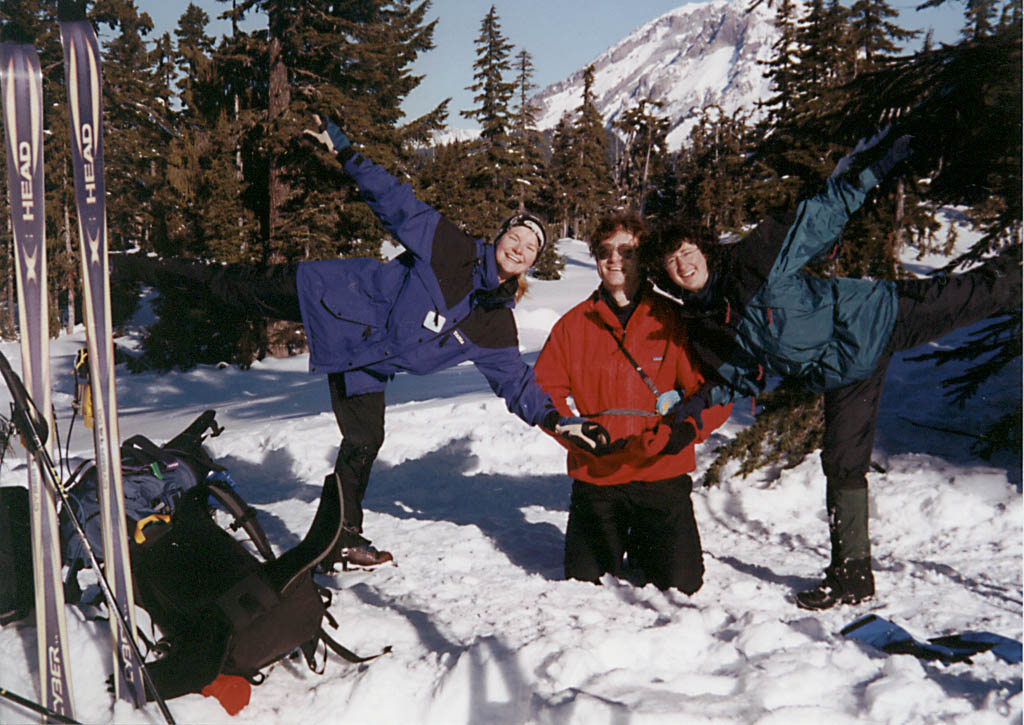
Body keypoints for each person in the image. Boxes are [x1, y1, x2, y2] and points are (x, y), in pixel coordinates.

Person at [118, 115, 615, 569]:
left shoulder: (494, 326)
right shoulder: (451, 248)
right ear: (501, 235)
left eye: (531, 248)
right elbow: (397, 202)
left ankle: (341, 536)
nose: (519, 248)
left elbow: (516, 383)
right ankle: (138, 266)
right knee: (233, 288)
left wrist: (556, 420)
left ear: (532, 263)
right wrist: (344, 150)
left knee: (363, 441)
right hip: (332, 295)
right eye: (516, 236)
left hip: (363, 362)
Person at [645, 132, 1022, 609]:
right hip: (845, 374)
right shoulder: (703, 323)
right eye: (672, 261)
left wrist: (879, 165)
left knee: (983, 293)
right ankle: (852, 577)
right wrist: (693, 409)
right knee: (842, 464)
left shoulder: (755, 259)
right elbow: (738, 376)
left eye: (687, 250)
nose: (683, 263)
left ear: (702, 246)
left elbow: (824, 212)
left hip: (879, 316)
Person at [533, 212, 731, 593]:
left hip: (660, 474)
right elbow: (544, 392)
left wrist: (686, 430)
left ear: (644, 259)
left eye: (627, 250)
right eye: (605, 251)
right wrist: (569, 429)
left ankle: (644, 543)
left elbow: (714, 391)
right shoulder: (573, 325)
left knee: (681, 585)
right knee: (582, 585)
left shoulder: (675, 319)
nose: (614, 259)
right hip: (597, 476)